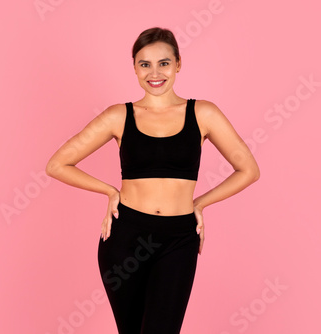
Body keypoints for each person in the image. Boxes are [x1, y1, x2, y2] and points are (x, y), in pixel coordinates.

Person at [45, 27, 260, 334]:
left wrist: (199, 203)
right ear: (134, 67)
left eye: (164, 63)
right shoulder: (119, 116)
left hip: (179, 238)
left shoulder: (204, 113)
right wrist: (109, 191)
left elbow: (249, 170)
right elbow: (57, 164)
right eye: (145, 64)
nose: (154, 72)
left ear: (178, 64)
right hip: (125, 238)